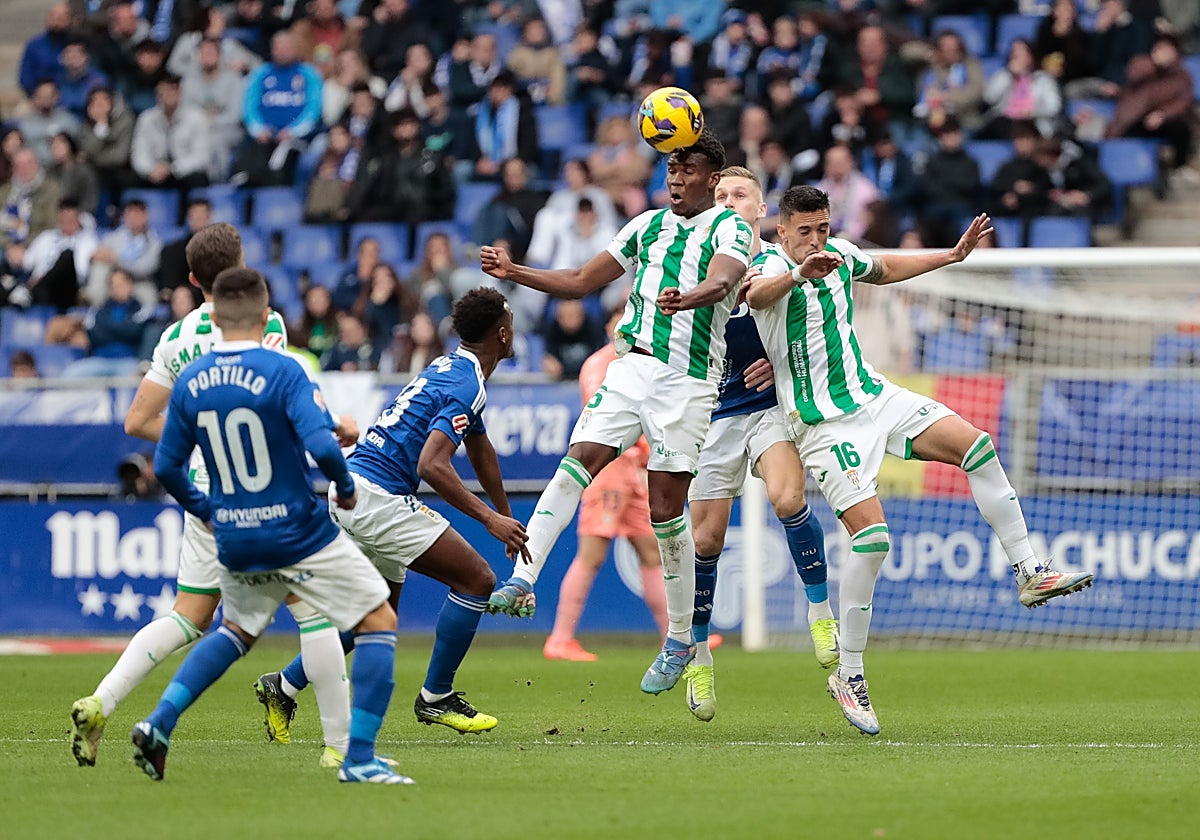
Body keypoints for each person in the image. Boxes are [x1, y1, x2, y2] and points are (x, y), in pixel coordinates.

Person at [745, 185, 1095, 737]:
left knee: (977, 445)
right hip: (821, 424)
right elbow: (759, 297)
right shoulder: (763, 264)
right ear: (782, 231)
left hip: (875, 395)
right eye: (804, 231)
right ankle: (849, 675)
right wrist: (797, 273)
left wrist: (951, 256)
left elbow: (885, 266)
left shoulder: (840, 256)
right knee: (874, 540)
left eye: (822, 228)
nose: (816, 240)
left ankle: (1030, 571)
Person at [69, 222, 358, 771]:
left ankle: (101, 701)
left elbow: (138, 419)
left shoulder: (175, 339)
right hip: (268, 489)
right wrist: (333, 427)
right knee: (316, 613)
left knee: (188, 616)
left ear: (194, 278)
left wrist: (196, 430)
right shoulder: (264, 323)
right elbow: (277, 395)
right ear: (242, 267)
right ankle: (339, 748)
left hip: (207, 494)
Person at [479, 130, 754, 696]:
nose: (675, 179)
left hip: (689, 381)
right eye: (671, 169)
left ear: (711, 178)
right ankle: (524, 577)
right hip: (631, 367)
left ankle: (680, 637)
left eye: (687, 170)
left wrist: (694, 296)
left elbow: (725, 279)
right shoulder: (646, 226)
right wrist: (515, 272)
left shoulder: (731, 227)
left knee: (665, 510)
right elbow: (581, 280)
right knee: (575, 462)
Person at [140, 266, 409, 785]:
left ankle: (158, 722)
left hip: (235, 532)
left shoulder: (193, 380)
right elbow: (323, 445)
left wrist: (206, 510)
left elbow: (166, 467)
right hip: (296, 528)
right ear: (266, 318)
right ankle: (359, 760)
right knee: (378, 619)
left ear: (214, 318)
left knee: (236, 630)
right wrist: (346, 487)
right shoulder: (284, 369)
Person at [253, 288, 528, 740]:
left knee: (374, 614)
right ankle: (436, 697)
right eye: (512, 323)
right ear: (502, 334)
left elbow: (481, 450)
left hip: (356, 485)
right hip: (379, 496)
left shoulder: (450, 367)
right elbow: (432, 465)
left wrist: (504, 513)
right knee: (477, 580)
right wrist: (489, 520)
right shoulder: (466, 383)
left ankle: (282, 687)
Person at [683, 167, 835, 723]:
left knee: (788, 499)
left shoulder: (778, 261)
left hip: (768, 408)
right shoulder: (692, 256)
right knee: (706, 539)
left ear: (761, 207)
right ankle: (698, 656)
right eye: (719, 194)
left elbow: (811, 326)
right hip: (712, 415)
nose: (727, 200)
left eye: (738, 193)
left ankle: (820, 614)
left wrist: (780, 361)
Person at [543, 306, 669, 661]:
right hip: (609, 468)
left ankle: (671, 638)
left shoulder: (637, 362)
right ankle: (560, 638)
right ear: (610, 327)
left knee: (650, 552)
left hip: (633, 470)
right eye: (620, 321)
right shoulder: (603, 364)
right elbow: (608, 418)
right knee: (592, 553)